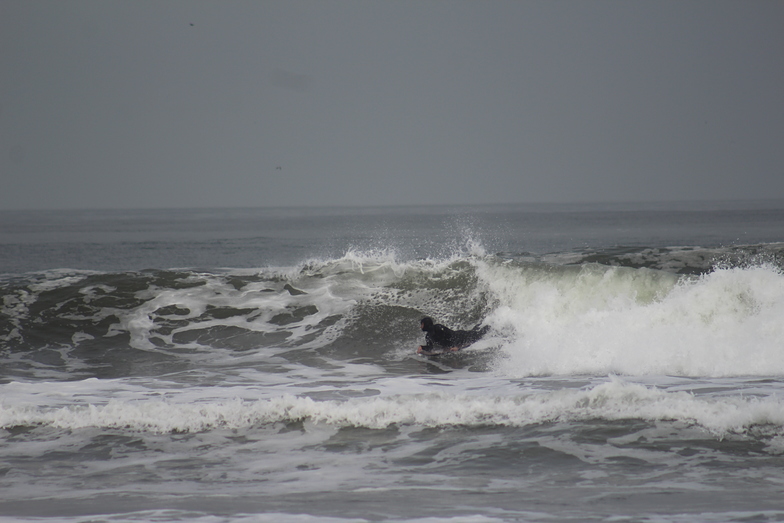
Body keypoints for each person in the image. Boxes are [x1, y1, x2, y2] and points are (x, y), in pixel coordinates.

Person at [417, 316, 490, 354]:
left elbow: (452, 335)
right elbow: (430, 348)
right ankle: (484, 324)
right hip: (457, 339)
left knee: (479, 334)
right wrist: (422, 348)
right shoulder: (428, 336)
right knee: (475, 332)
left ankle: (491, 324)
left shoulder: (438, 328)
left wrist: (455, 346)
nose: (421, 327)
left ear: (426, 324)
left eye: (422, 324)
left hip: (461, 336)